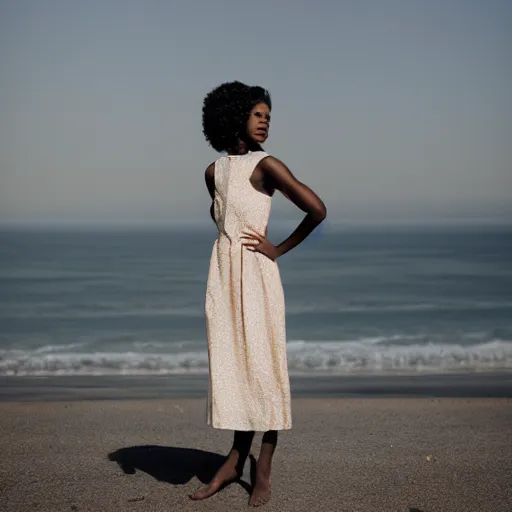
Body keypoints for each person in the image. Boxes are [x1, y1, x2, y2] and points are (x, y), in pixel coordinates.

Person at [190, 81, 326, 507]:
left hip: (258, 278)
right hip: (224, 280)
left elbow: (316, 209)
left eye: (268, 116)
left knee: (265, 372)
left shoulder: (268, 166)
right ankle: (234, 461)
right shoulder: (213, 172)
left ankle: (260, 469)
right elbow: (225, 224)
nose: (265, 122)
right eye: (258, 115)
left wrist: (277, 249)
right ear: (234, 118)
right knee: (237, 370)